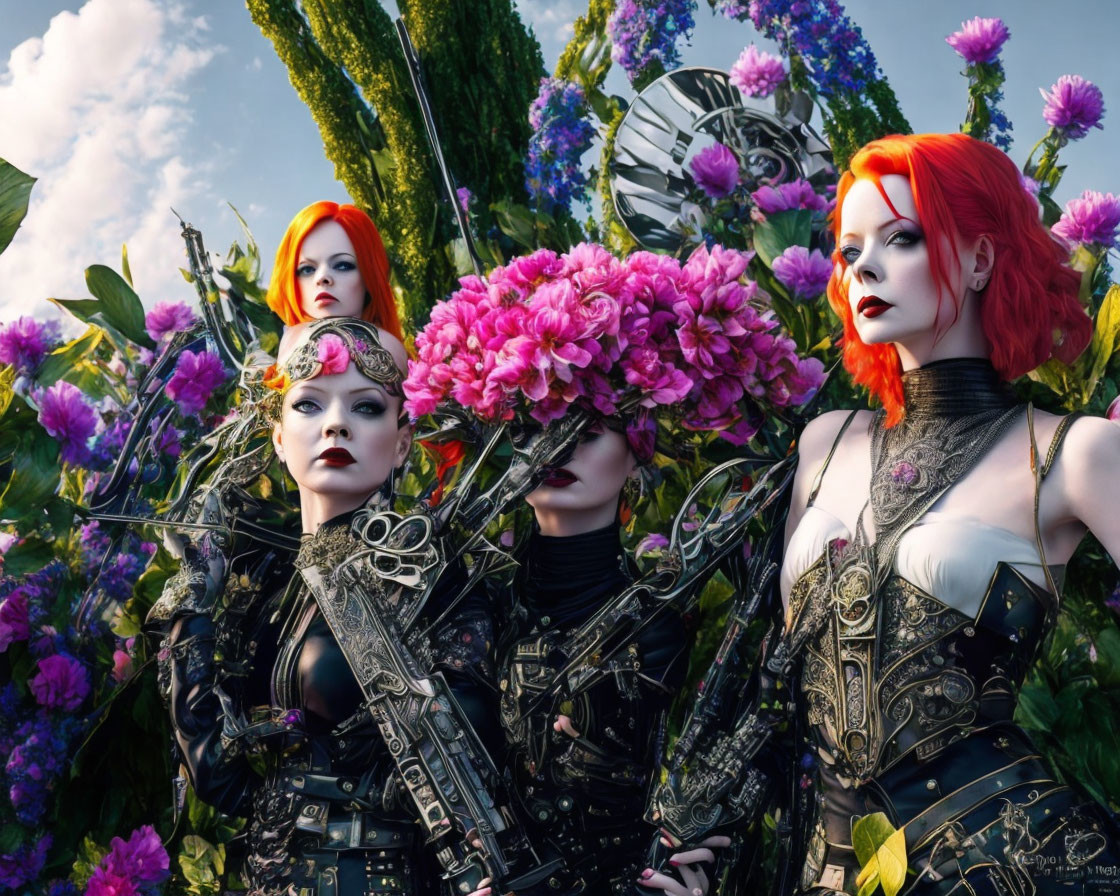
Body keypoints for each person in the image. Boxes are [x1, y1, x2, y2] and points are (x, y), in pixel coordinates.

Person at [779, 132, 1120, 893]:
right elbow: (782, 688)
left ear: (979, 260)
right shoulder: (824, 445)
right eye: (847, 250)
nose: (863, 264)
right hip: (823, 867)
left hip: (1011, 862)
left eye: (902, 238)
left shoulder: (1073, 452)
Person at [148, 319, 498, 896]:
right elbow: (220, 780)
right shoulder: (259, 591)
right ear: (279, 437)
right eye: (309, 405)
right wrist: (196, 594)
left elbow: (465, 773)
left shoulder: (435, 576)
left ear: (403, 441)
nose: (336, 423)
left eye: (365, 408)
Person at [484, 416, 694, 896]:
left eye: (588, 432)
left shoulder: (668, 631)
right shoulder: (473, 610)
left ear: (638, 453)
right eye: (531, 425)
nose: (556, 447)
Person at [265, 201, 402, 340]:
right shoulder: (284, 344)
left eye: (342, 265)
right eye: (307, 269)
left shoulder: (387, 344)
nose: (322, 277)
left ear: (370, 276)